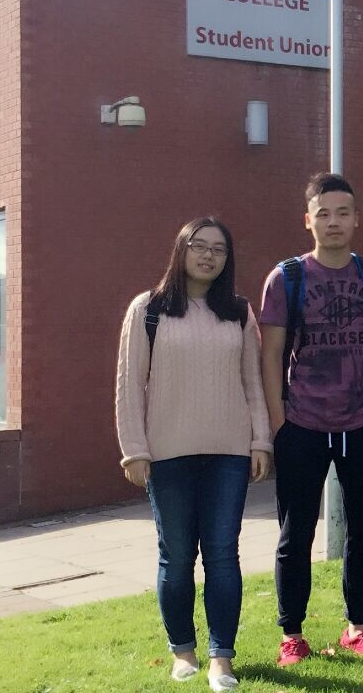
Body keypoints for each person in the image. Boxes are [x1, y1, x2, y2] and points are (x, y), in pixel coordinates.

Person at [115, 216, 271, 691]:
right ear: (180, 250)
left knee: (223, 553)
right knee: (178, 555)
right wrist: (134, 450)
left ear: (228, 259)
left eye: (218, 249)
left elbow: (252, 383)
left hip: (229, 453)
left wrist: (260, 441)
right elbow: (129, 384)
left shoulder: (239, 312)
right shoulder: (149, 309)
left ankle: (222, 658)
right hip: (168, 454)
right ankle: (182, 651)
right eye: (199, 246)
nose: (208, 256)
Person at [259, 173, 363, 666]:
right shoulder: (286, 278)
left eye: (343, 213)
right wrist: (279, 421)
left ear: (357, 219)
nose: (333, 221)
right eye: (323, 213)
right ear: (308, 220)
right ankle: (292, 635)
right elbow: (270, 354)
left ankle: (358, 627)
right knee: (295, 532)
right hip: (302, 423)